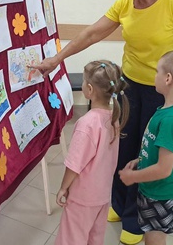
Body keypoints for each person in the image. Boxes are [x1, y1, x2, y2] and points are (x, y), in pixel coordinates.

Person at [32, 0, 173, 244]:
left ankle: (135, 221)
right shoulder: (126, 4)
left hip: (162, 91)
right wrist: (57, 59)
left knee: (146, 154)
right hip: (128, 86)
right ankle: (119, 204)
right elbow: (92, 33)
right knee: (122, 147)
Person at [119, 50, 173, 245]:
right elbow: (160, 150)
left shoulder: (170, 121)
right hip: (154, 189)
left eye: (157, 71)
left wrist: (133, 177)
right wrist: (141, 160)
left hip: (160, 194)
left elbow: (164, 169)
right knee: (151, 234)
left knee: (154, 239)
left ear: (168, 79)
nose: (154, 76)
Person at [54, 60, 129, 245]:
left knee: (72, 239)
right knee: (95, 238)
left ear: (89, 89)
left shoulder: (87, 124)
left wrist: (63, 187)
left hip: (82, 197)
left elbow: (74, 164)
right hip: (102, 194)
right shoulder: (113, 119)